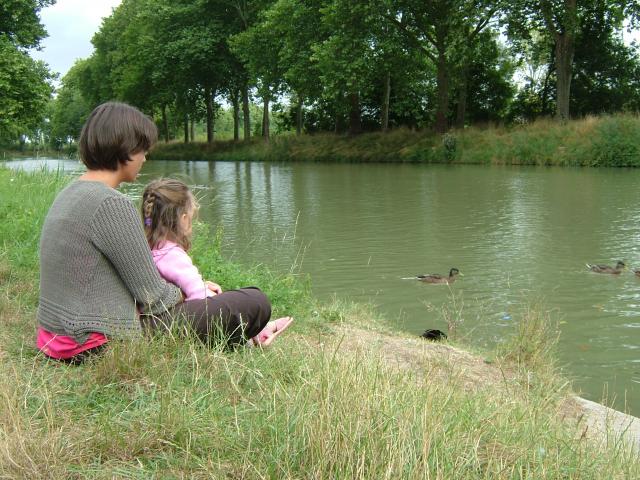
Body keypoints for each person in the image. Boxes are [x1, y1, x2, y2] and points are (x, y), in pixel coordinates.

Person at [36, 102, 276, 363]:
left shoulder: (70, 193)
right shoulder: (111, 204)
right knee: (254, 301)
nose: (144, 158)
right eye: (143, 149)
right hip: (93, 341)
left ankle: (235, 335)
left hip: (54, 337)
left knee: (216, 304)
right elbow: (154, 298)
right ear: (125, 147)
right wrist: (187, 292)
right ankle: (250, 331)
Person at [141, 178, 293, 346]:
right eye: (192, 216)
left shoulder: (147, 249)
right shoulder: (173, 255)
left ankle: (255, 336)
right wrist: (214, 297)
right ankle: (255, 336)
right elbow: (199, 296)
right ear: (183, 219)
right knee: (243, 301)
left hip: (156, 320)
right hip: (170, 322)